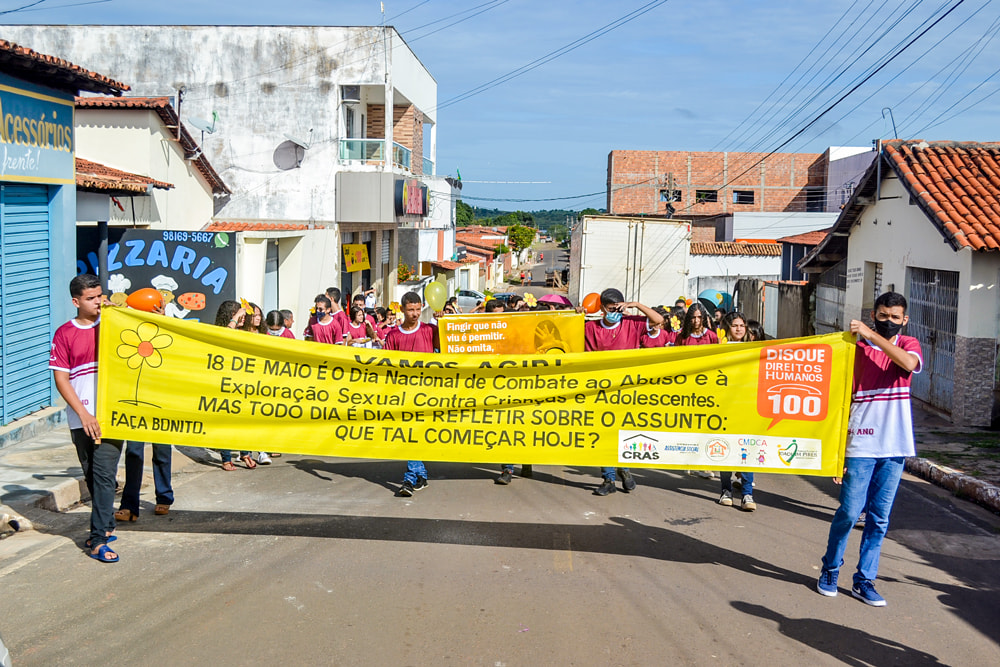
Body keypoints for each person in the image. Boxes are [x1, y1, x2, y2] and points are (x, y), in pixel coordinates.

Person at [817, 292, 922, 607]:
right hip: (859, 445)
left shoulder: (908, 345)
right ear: (873, 313)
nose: (887, 321)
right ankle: (830, 570)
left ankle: (865, 580)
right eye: (882, 315)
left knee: (879, 518)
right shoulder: (853, 349)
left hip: (894, 448)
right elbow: (838, 399)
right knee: (849, 512)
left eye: (894, 317)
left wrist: (871, 333)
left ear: (904, 320)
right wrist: (837, 454)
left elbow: (907, 364)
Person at [50, 274, 124, 562]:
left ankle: (97, 540)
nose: (98, 302)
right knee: (92, 475)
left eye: (100, 295)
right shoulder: (64, 334)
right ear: (76, 301)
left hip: (112, 416)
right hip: (80, 418)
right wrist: (84, 413)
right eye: (91, 298)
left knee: (105, 476)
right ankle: (105, 524)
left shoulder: (113, 324)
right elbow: (61, 378)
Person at [585, 288, 664, 496]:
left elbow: (658, 320)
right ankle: (608, 478)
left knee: (623, 434)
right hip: (601, 390)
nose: (616, 312)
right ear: (602, 308)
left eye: (619, 308)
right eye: (612, 308)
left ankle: (624, 469)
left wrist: (636, 305)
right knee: (604, 434)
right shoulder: (590, 327)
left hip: (627, 390)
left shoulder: (632, 323)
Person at [383, 291, 439, 497]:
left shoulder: (430, 330)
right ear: (402, 309)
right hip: (403, 393)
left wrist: (443, 324)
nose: (415, 314)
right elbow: (387, 365)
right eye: (411, 310)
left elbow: (448, 347)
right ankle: (419, 476)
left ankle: (410, 478)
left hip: (426, 393)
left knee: (415, 435)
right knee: (411, 435)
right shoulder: (393, 336)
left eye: (418, 309)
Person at [717, 311, 756, 511]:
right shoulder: (720, 349)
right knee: (725, 449)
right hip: (726, 406)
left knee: (746, 451)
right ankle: (726, 490)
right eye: (735, 325)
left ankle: (747, 493)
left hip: (747, 407)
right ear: (728, 329)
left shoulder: (755, 350)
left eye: (742, 325)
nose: (739, 329)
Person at [677, 302, 720, 480]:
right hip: (688, 387)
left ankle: (705, 464)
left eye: (699, 317)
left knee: (705, 427)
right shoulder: (682, 337)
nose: (696, 321)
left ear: (704, 318)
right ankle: (688, 460)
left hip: (707, 387)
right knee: (689, 425)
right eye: (693, 317)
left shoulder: (711, 336)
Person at [214, 300, 256, 470]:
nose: (243, 318)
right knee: (226, 422)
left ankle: (246, 453)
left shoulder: (243, 332)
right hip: (224, 382)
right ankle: (225, 457)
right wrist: (236, 317)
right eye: (239, 314)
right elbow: (224, 337)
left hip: (242, 382)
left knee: (243, 420)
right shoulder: (220, 331)